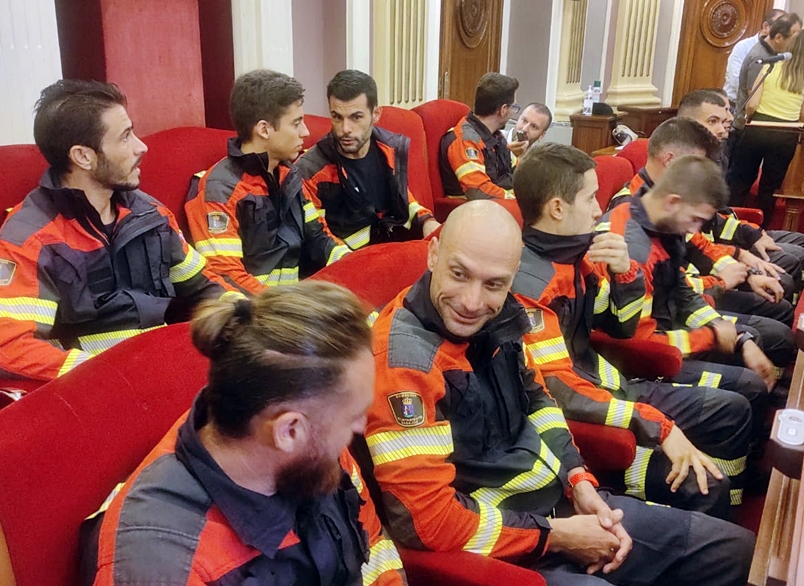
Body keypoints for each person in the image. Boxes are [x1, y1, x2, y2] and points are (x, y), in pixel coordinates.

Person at [366, 201, 754, 586]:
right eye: (459, 274)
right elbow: (428, 523)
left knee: (740, 557)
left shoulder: (504, 316)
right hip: (509, 560)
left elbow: (540, 403)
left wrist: (579, 483)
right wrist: (559, 537)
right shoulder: (403, 363)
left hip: (561, 508)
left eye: (494, 284)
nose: (472, 301)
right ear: (433, 253)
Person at [83, 282, 414, 586]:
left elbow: (374, 559)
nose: (360, 425)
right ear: (289, 431)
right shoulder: (157, 580)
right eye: (352, 414)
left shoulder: (316, 450)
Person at [513, 142, 760, 513]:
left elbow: (621, 328)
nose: (600, 210)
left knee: (732, 412)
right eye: (591, 198)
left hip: (612, 389)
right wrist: (658, 425)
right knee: (708, 488)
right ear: (558, 208)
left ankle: (736, 510)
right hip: (583, 424)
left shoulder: (581, 253)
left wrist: (625, 275)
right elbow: (560, 389)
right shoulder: (529, 284)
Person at [0, 80, 238, 382]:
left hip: (168, 373)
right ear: (83, 157)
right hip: (99, 393)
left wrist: (246, 314)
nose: (142, 146)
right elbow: (7, 347)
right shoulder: (31, 240)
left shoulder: (150, 213)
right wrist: (111, 376)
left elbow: (204, 286)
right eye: (125, 137)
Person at [605, 155, 795, 398]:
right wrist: (712, 336)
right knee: (747, 386)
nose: (695, 230)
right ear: (673, 202)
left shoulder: (660, 222)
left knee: (747, 341)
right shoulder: (635, 251)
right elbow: (643, 342)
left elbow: (682, 293)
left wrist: (724, 330)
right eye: (695, 220)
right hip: (641, 364)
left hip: (667, 334)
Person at [611, 118, 797, 326]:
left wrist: (743, 267)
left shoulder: (673, 195)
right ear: (671, 160)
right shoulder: (637, 207)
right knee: (776, 327)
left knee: (780, 297)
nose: (699, 168)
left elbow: (700, 246)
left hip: (695, 289)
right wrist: (721, 281)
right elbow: (665, 290)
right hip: (676, 307)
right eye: (694, 161)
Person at [186, 70, 351, 289]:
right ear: (264, 129)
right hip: (257, 314)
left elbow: (320, 238)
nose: (305, 131)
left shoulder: (288, 175)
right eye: (296, 123)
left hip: (293, 301)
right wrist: (292, 308)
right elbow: (226, 279)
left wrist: (355, 267)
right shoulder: (219, 191)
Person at [678, 90, 804, 304]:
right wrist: (738, 256)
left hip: (714, 250)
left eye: (726, 117)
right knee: (785, 273)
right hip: (702, 271)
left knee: (798, 246)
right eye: (714, 121)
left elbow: (716, 217)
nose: (725, 124)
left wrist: (752, 234)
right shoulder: (679, 174)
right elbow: (689, 245)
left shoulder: (713, 156)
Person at [296, 70, 440, 249]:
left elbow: (402, 200)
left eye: (356, 117)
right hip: (345, 264)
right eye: (337, 117)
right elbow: (317, 238)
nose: (345, 128)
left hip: (392, 249)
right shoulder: (311, 169)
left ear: (376, 114)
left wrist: (427, 221)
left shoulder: (387, 149)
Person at [729, 30, 804, 228]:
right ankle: (761, 229)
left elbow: (752, 104)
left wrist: (750, 119)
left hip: (759, 128)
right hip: (786, 134)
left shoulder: (770, 67)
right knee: (768, 188)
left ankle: (730, 223)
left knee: (740, 180)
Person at [439, 72, 520, 200]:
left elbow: (520, 173)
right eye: (514, 107)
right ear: (503, 110)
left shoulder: (497, 137)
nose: (513, 112)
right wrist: (518, 201)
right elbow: (478, 191)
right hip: (475, 213)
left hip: (501, 208)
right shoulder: (466, 140)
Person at [732, 13, 802, 133]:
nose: (795, 43)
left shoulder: (774, 54)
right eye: (793, 38)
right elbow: (752, 101)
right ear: (779, 37)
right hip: (746, 128)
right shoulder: (759, 57)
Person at [724, 9, 788, 101]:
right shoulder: (743, 47)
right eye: (781, 27)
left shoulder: (782, 54)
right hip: (735, 105)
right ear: (766, 27)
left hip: (764, 106)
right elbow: (737, 82)